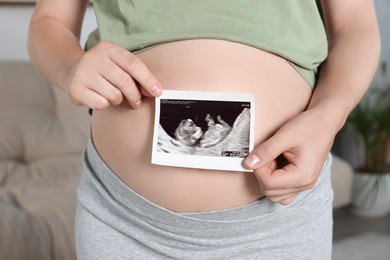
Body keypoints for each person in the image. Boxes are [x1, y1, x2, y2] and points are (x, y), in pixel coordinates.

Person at [28, 0, 380, 259]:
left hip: (275, 219)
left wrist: (328, 118)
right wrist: (70, 66)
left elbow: (355, 26)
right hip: (122, 217)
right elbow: (50, 19)